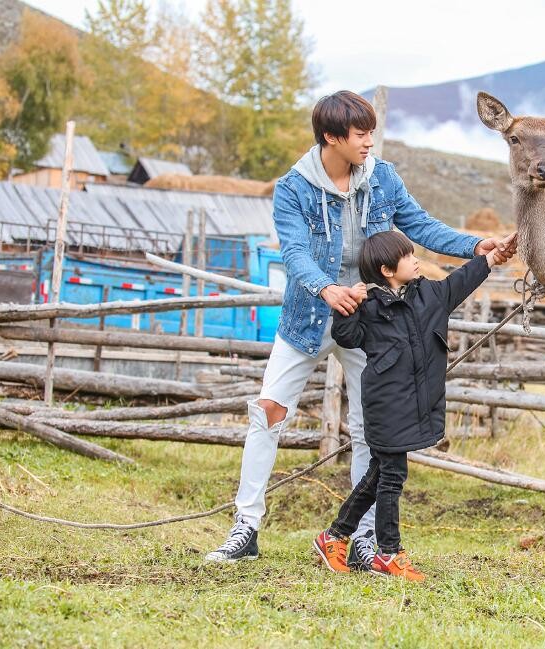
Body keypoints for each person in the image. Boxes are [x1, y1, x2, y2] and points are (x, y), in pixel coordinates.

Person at [205, 91, 516, 567]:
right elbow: (293, 252)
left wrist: (474, 245)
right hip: (309, 316)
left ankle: (364, 539)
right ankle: (245, 526)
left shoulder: (383, 178)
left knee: (371, 430)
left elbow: (421, 227)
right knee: (266, 410)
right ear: (332, 137)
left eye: (371, 130)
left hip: (372, 320)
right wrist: (327, 288)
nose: (370, 141)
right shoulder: (293, 187)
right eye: (360, 133)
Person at [313, 230, 504, 581]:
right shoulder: (369, 309)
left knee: (378, 474)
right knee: (392, 476)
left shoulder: (429, 295)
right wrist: (348, 307)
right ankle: (388, 552)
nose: (415, 258)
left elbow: (460, 281)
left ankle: (335, 535)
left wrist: (489, 259)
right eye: (407, 255)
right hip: (385, 404)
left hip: (413, 402)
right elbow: (348, 337)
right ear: (387, 269)